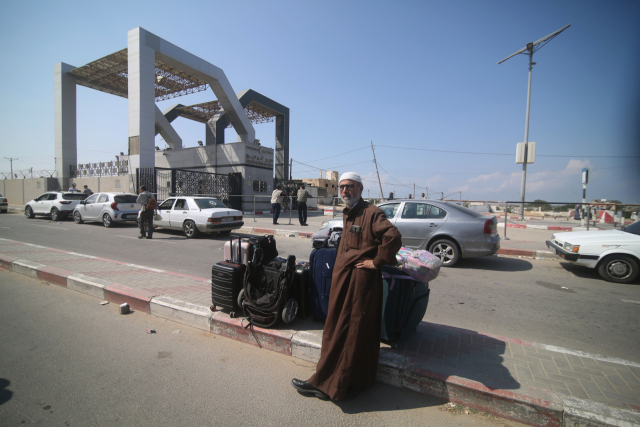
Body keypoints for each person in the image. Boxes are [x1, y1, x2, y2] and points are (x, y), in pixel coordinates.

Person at [291, 172, 402, 401]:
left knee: (346, 331)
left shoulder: (371, 213)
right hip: (345, 283)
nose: (344, 191)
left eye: (349, 187)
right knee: (348, 330)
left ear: (360, 188)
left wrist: (377, 262)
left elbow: (392, 236)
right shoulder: (349, 212)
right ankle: (354, 382)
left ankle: (328, 384)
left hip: (358, 285)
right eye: (341, 187)